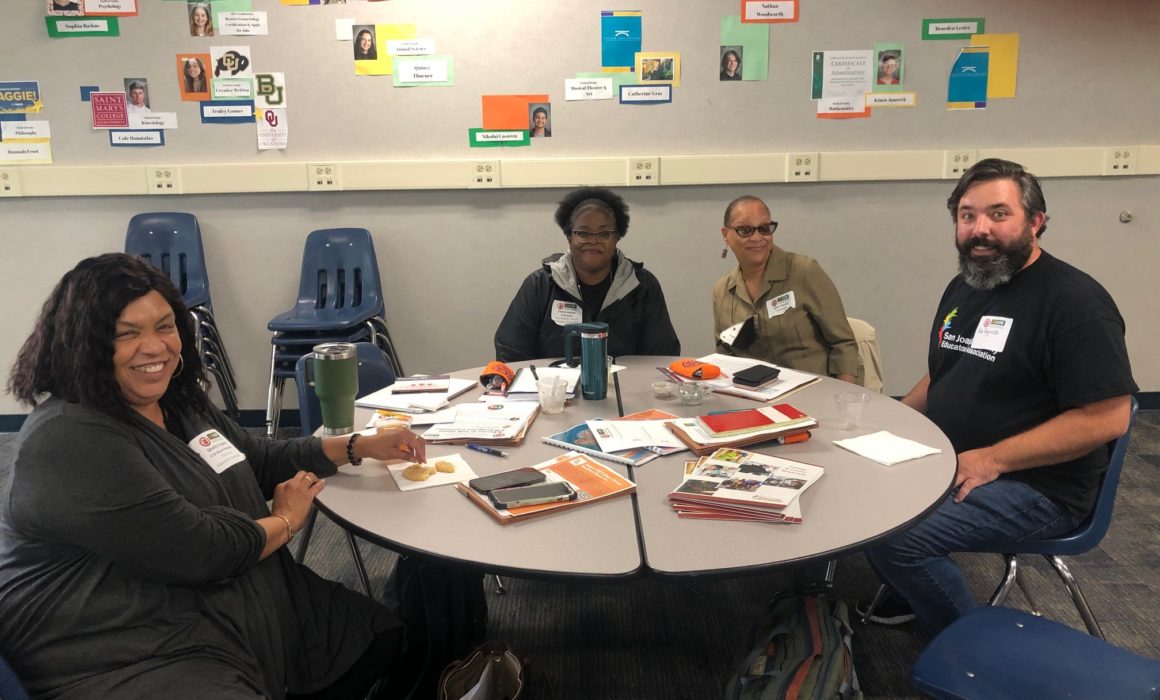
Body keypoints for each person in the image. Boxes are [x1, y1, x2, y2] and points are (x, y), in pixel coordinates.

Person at [0, 253, 426, 698]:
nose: (156, 347)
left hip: (225, 596)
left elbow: (252, 460)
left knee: (381, 638)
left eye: (165, 326)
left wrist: (354, 446)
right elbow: (200, 551)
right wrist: (285, 520)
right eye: (127, 334)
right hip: (117, 643)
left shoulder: (176, 402)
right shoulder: (71, 438)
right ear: (83, 344)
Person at [861, 159, 1137, 636]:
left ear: (1035, 222)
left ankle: (965, 643)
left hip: (1038, 486)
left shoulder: (1076, 304)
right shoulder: (968, 283)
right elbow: (946, 370)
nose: (980, 230)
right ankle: (916, 592)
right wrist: (894, 420)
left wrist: (992, 460)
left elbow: (1107, 418)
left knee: (894, 537)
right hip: (955, 457)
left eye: (998, 214)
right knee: (856, 490)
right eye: (967, 216)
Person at [494, 186, 681, 362]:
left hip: (625, 391)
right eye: (583, 233)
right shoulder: (540, 285)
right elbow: (510, 353)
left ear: (616, 238)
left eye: (603, 233)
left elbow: (661, 356)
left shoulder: (642, 286)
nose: (593, 241)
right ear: (569, 237)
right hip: (555, 392)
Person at [713, 195, 858, 382]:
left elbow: (843, 344)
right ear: (726, 235)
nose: (757, 238)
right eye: (745, 230)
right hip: (753, 395)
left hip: (812, 393)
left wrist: (841, 401)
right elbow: (725, 355)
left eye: (764, 229)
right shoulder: (723, 290)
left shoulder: (804, 272)